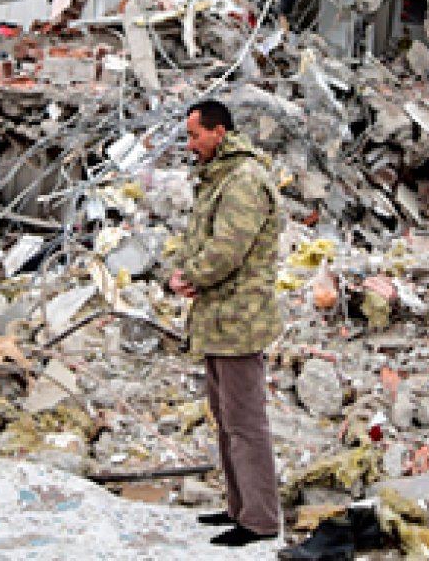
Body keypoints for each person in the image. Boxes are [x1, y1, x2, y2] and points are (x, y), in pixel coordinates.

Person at [167, 99, 284, 547]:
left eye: (195, 136)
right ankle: (239, 507)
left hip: (240, 320)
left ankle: (260, 520)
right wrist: (183, 273)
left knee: (245, 421)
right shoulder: (221, 176)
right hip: (218, 318)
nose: (190, 145)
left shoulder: (243, 181)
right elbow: (202, 238)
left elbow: (227, 249)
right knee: (225, 417)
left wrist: (192, 276)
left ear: (219, 133)